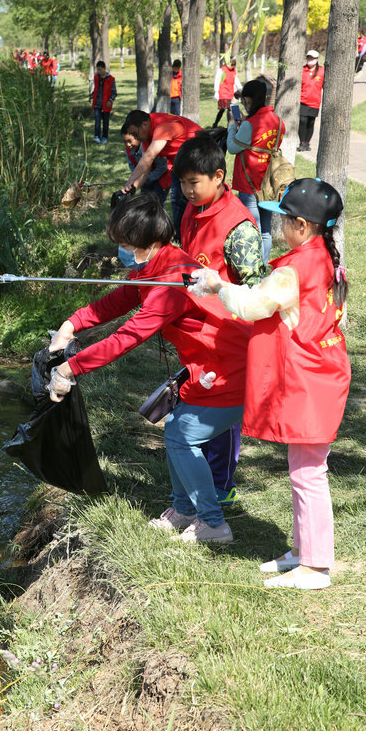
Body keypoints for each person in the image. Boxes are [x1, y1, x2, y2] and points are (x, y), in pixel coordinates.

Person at [48, 193, 252, 542]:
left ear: (151, 242)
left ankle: (213, 523)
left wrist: (71, 368)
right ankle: (183, 509)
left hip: (233, 367)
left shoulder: (170, 283)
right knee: (175, 425)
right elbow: (119, 299)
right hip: (208, 364)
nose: (122, 253)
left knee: (181, 435)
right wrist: (73, 323)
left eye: (127, 245)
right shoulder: (157, 266)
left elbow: (127, 337)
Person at [191, 178, 350, 589]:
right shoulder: (320, 256)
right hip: (321, 374)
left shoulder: (296, 268)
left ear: (302, 224)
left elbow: (250, 306)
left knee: (309, 472)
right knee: (304, 467)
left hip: (310, 380)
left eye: (283, 219)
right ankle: (302, 551)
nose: (278, 226)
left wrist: (217, 284)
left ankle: (315, 567)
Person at [173, 132, 266, 506]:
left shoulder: (239, 227)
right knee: (197, 403)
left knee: (220, 413)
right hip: (198, 333)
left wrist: (218, 291)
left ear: (218, 176)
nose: (186, 190)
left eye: (193, 182)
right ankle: (199, 477)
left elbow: (256, 292)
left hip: (229, 336)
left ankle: (222, 483)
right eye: (182, 182)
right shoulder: (190, 212)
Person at [120, 109, 202, 241]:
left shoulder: (162, 127)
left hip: (198, 159)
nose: (136, 138)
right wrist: (133, 187)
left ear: (145, 125)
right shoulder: (146, 136)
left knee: (192, 200)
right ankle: (181, 238)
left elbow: (149, 156)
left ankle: (192, 237)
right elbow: (146, 167)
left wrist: (129, 181)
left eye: (135, 134)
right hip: (179, 164)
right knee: (178, 200)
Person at [227, 79, 285, 263]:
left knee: (252, 228)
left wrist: (231, 126)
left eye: (245, 100)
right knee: (265, 230)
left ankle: (252, 268)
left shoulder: (249, 124)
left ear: (249, 100)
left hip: (249, 183)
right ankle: (263, 264)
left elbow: (232, 147)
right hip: (269, 183)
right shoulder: (278, 121)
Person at [121, 126, 171, 206]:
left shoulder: (150, 148)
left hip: (162, 178)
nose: (128, 145)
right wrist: (134, 182)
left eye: (130, 141)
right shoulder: (128, 150)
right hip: (145, 180)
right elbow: (133, 167)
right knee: (143, 204)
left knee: (155, 205)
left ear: (138, 137)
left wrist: (146, 179)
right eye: (125, 142)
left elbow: (162, 167)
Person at [298, 50, 324, 151]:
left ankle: (307, 143)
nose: (310, 60)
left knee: (310, 122)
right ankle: (302, 142)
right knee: (302, 120)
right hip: (303, 100)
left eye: (312, 59)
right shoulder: (302, 70)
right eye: (308, 58)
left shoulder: (321, 71)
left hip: (315, 101)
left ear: (317, 60)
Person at [90, 60, 117, 144]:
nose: (99, 71)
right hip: (97, 103)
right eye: (97, 69)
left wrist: (110, 100)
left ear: (105, 69)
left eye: (100, 69)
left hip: (106, 104)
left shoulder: (111, 79)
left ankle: (104, 137)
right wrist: (91, 96)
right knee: (97, 120)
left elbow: (114, 92)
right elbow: (96, 89)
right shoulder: (96, 77)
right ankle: (97, 136)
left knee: (105, 122)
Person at [213, 58, 241, 127]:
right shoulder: (222, 70)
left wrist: (240, 88)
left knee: (232, 108)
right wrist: (216, 91)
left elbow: (235, 79)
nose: (232, 66)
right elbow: (217, 80)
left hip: (231, 92)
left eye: (234, 65)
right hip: (223, 93)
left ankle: (238, 123)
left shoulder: (233, 71)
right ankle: (229, 125)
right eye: (232, 64)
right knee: (228, 108)